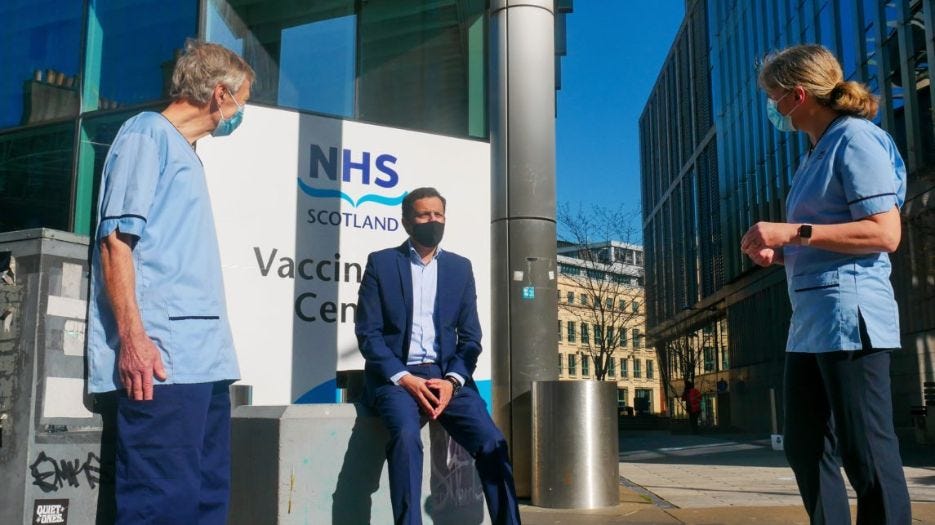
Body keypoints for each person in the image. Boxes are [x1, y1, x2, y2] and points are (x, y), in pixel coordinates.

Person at [86, 40, 254, 524]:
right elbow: (116, 243)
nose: (241, 112)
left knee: (204, 499)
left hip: (203, 362)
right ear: (220, 94)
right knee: (161, 503)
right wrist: (134, 340)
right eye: (242, 100)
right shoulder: (145, 135)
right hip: (162, 363)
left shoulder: (185, 151)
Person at [742, 44, 911, 524]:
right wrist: (782, 251)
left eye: (774, 96)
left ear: (799, 95)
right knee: (805, 445)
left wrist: (792, 232)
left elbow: (885, 232)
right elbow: (824, 234)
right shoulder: (816, 152)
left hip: (850, 317)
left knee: (867, 454)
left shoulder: (856, 139)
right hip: (812, 322)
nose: (772, 108)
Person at [355, 187, 521, 525]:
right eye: (423, 215)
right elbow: (368, 334)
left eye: (438, 215)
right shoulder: (382, 263)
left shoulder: (460, 268)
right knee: (404, 437)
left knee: (492, 442)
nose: (432, 221)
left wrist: (451, 381)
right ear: (406, 222)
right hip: (398, 377)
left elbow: (471, 338)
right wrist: (404, 378)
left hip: (446, 376)